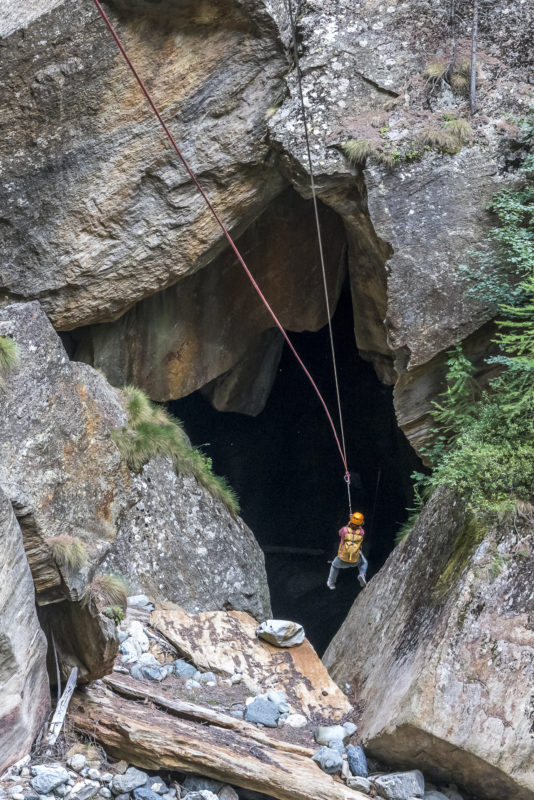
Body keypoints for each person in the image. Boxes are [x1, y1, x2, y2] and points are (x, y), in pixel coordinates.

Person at [326, 511, 368, 590]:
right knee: (364, 562)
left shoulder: (344, 530)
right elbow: (360, 528)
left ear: (351, 521)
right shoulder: (362, 532)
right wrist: (353, 521)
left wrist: (350, 522)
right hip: (355, 562)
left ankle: (331, 583)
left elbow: (339, 533)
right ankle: (362, 574)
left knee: (334, 565)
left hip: (342, 560)